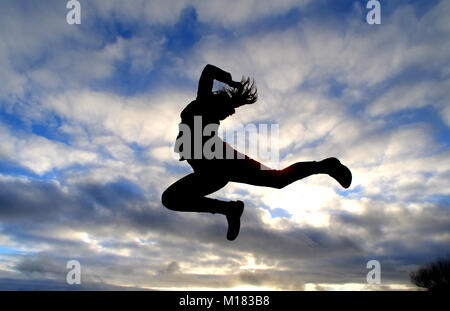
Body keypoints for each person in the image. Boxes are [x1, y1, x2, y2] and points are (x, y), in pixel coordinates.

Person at [162, 64, 352, 241]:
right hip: (208, 173)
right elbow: (209, 70)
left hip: (223, 161)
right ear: (216, 102)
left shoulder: (208, 113)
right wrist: (231, 81)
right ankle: (230, 209)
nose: (230, 114)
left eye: (231, 111)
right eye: (229, 110)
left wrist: (232, 91)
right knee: (170, 199)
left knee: (278, 180)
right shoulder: (203, 102)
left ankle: (326, 166)